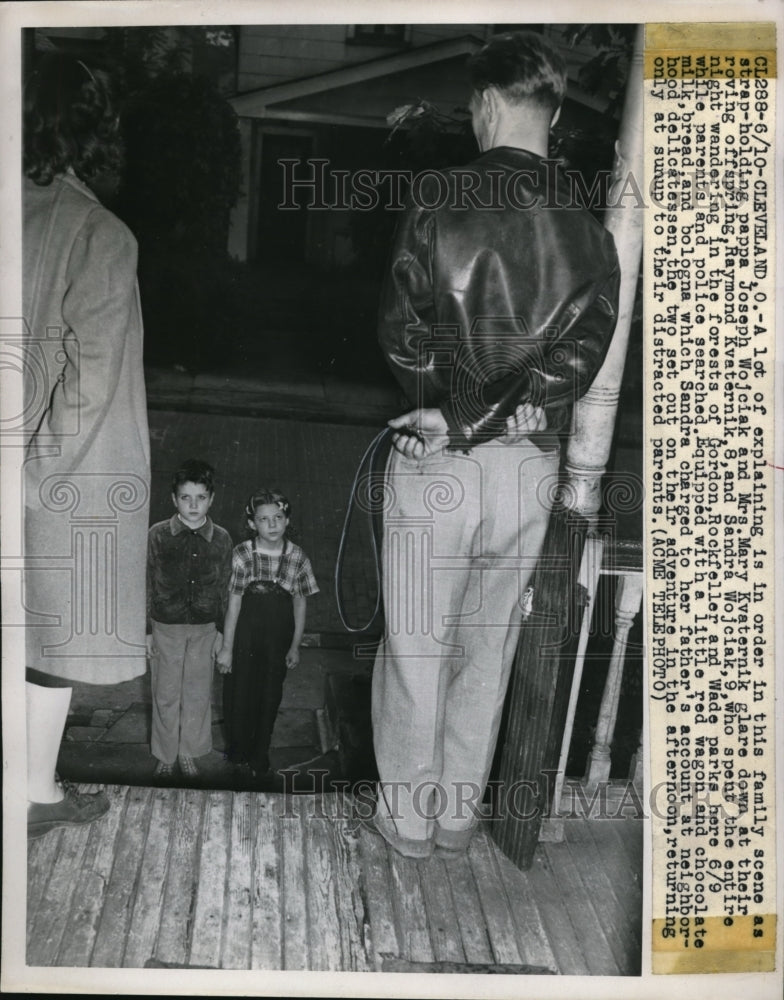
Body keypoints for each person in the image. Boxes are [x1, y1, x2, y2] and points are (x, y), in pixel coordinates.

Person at [368, 31, 621, 858]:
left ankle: (404, 823)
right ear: (551, 110)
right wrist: (503, 414)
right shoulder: (591, 231)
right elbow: (577, 363)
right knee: (487, 647)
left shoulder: (442, 194)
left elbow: (403, 335)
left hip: (435, 459)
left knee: (416, 644)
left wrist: (449, 414)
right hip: (531, 470)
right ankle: (452, 819)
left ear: (485, 103)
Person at [23, 53, 151, 838]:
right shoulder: (99, 232)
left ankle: (34, 790)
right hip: (54, 477)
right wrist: (32, 476)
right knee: (48, 636)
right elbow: (92, 378)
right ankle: (33, 792)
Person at [216, 489, 319, 784]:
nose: (272, 525)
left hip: (277, 639)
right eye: (263, 519)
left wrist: (295, 645)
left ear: (287, 520)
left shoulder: (297, 557)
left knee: (269, 696)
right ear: (251, 524)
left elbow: (300, 602)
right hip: (244, 639)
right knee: (238, 695)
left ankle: (260, 756)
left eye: (278, 518)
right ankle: (237, 754)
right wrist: (226, 648)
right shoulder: (242, 554)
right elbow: (234, 602)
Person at [146, 459, 232, 782]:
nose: (193, 505)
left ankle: (188, 751)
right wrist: (146, 632)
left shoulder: (222, 539)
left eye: (200, 497)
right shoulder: (158, 535)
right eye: (186, 497)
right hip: (165, 626)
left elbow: (225, 587)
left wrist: (223, 631)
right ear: (173, 499)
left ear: (211, 498)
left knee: (197, 692)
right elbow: (147, 582)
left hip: (204, 629)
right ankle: (166, 754)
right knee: (165, 692)